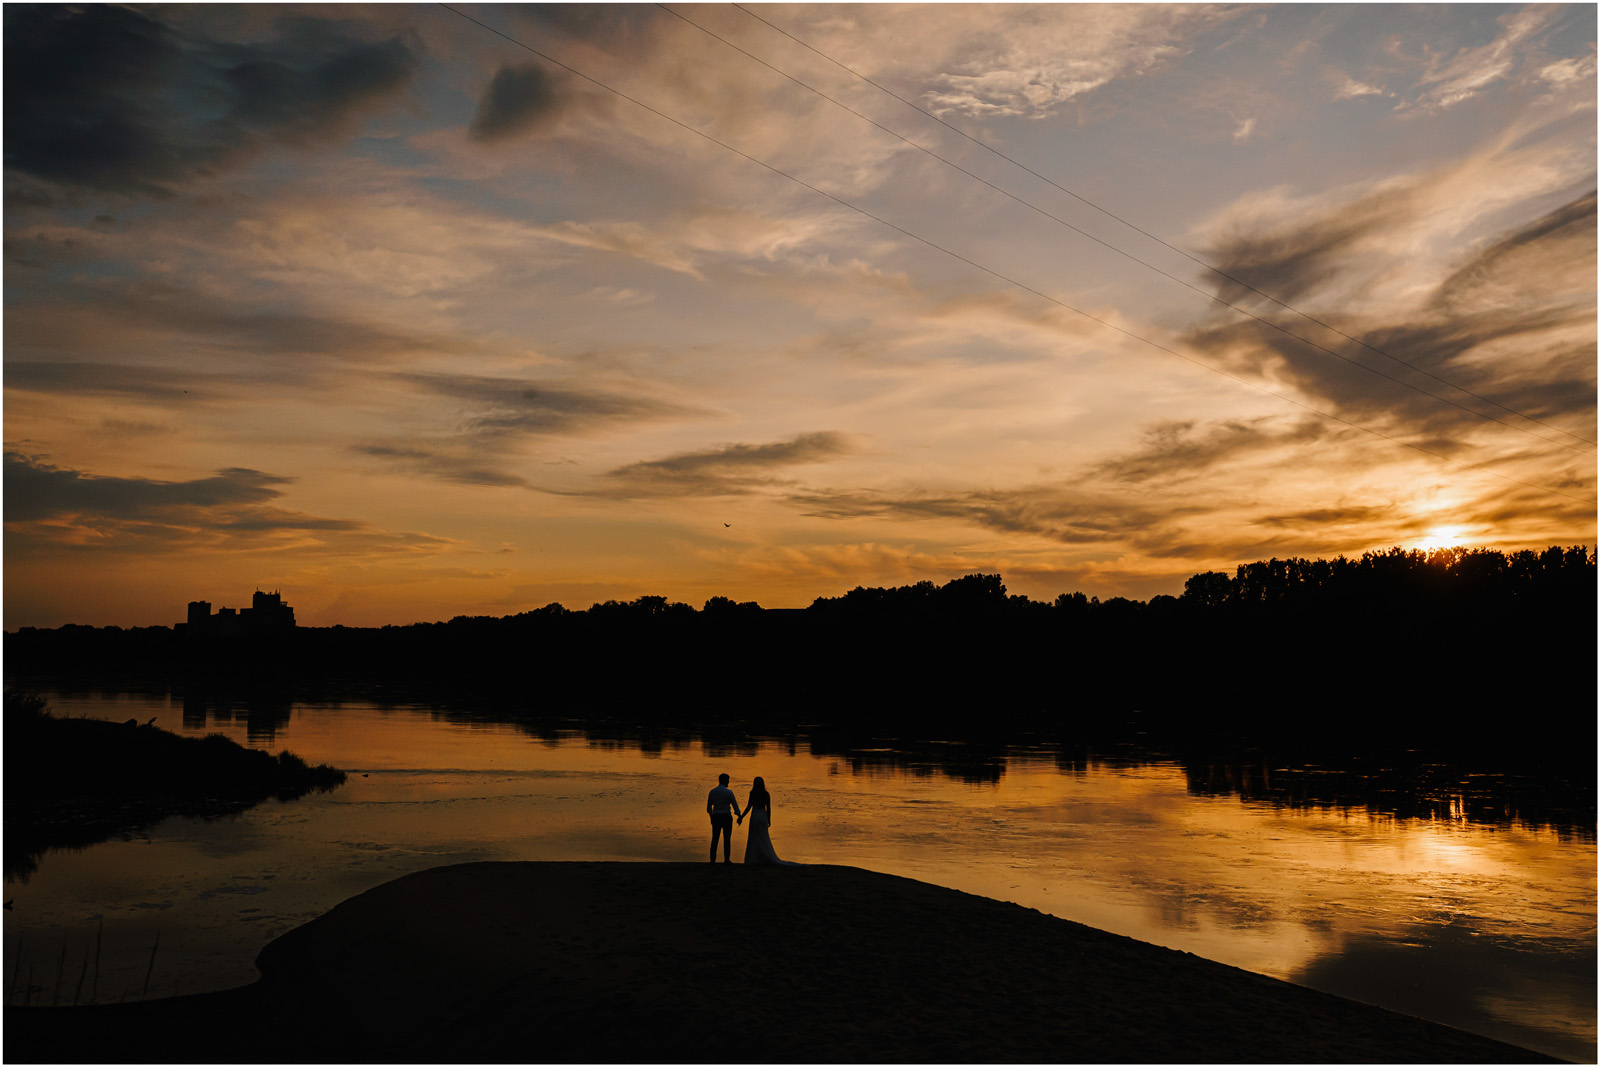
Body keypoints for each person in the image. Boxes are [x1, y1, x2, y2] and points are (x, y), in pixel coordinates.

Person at [737, 776, 798, 865]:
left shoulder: (752, 793)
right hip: (763, 816)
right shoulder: (766, 794)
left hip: (754, 816)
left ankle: (754, 858)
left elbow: (749, 807)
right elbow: (768, 808)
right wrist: (769, 819)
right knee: (764, 837)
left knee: (753, 838)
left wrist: (741, 817)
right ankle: (764, 856)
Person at [706, 773, 742, 863]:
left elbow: (709, 808)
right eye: (728, 780)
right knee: (727, 839)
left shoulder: (712, 792)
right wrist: (739, 815)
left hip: (716, 816)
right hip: (726, 816)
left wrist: (711, 817)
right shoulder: (729, 792)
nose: (728, 782)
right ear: (724, 781)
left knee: (715, 838)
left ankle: (712, 860)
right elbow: (735, 806)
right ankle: (726, 859)